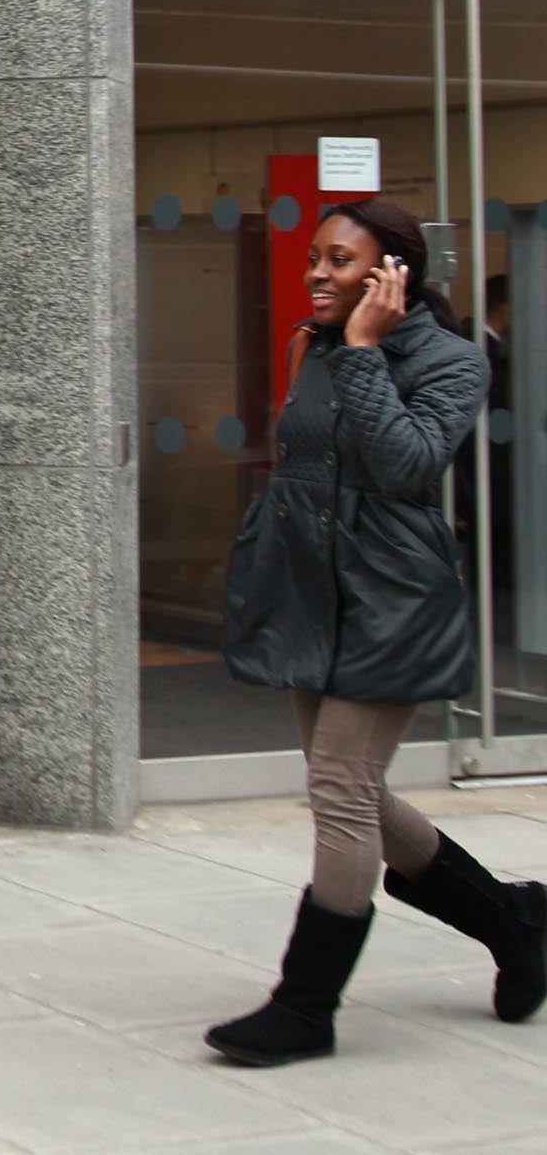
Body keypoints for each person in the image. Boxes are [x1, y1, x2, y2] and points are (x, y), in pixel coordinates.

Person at [208, 198, 547, 1067]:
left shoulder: (449, 359)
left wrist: (363, 353)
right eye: (315, 257)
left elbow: (405, 465)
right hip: (312, 595)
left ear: (393, 272)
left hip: (392, 597)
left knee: (341, 786)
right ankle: (515, 921)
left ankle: (306, 1005)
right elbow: (304, 468)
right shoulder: (310, 346)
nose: (318, 272)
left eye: (341, 259)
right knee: (348, 789)